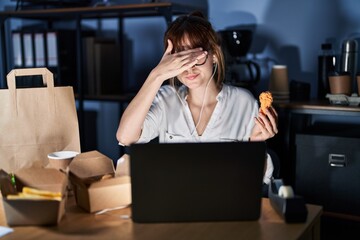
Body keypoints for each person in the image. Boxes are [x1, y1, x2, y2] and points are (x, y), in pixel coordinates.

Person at [116, 11, 278, 190]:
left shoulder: (243, 102)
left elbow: (256, 181)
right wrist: (156, 75)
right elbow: (125, 136)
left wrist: (256, 146)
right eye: (181, 59)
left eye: (196, 56)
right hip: (175, 206)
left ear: (214, 55)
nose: (189, 68)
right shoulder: (166, 99)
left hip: (225, 205)